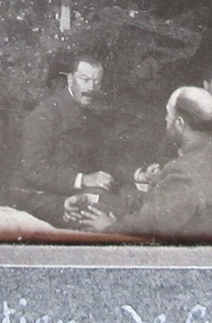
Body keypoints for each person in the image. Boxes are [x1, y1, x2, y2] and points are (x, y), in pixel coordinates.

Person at [70, 86, 212, 241]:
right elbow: (159, 207)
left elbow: (149, 227)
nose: (166, 119)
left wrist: (108, 228)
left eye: (168, 114)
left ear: (179, 124)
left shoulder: (186, 172)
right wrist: (97, 199)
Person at [12, 53, 157, 226]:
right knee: (122, 214)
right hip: (40, 197)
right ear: (70, 79)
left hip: (75, 192)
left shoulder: (90, 117)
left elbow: (103, 160)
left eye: (97, 81)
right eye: (85, 80)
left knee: (132, 196)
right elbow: (34, 170)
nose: (91, 88)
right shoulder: (45, 114)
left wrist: (139, 174)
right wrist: (83, 179)